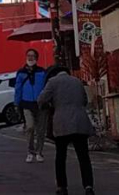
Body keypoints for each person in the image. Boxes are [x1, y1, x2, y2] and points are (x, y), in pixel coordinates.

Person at [38, 64, 95, 195]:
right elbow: (84, 101)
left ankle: (62, 187)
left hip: (62, 123)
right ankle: (88, 187)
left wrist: (51, 105)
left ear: (53, 74)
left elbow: (41, 100)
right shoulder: (77, 81)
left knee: (60, 156)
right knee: (83, 156)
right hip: (80, 122)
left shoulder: (52, 82)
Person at [14, 48, 47, 162]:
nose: (30, 57)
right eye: (28, 55)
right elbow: (18, 89)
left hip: (40, 104)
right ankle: (30, 151)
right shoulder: (21, 73)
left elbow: (46, 88)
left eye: (32, 56)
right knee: (30, 127)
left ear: (36, 58)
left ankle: (39, 152)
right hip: (26, 103)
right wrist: (17, 103)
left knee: (41, 130)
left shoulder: (42, 72)